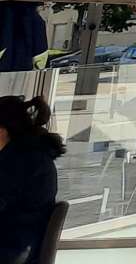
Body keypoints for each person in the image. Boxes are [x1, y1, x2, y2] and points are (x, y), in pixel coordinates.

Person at [0, 94, 64, 264]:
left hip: (12, 247)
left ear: (2, 131)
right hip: (25, 242)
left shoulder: (19, 161)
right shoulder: (31, 154)